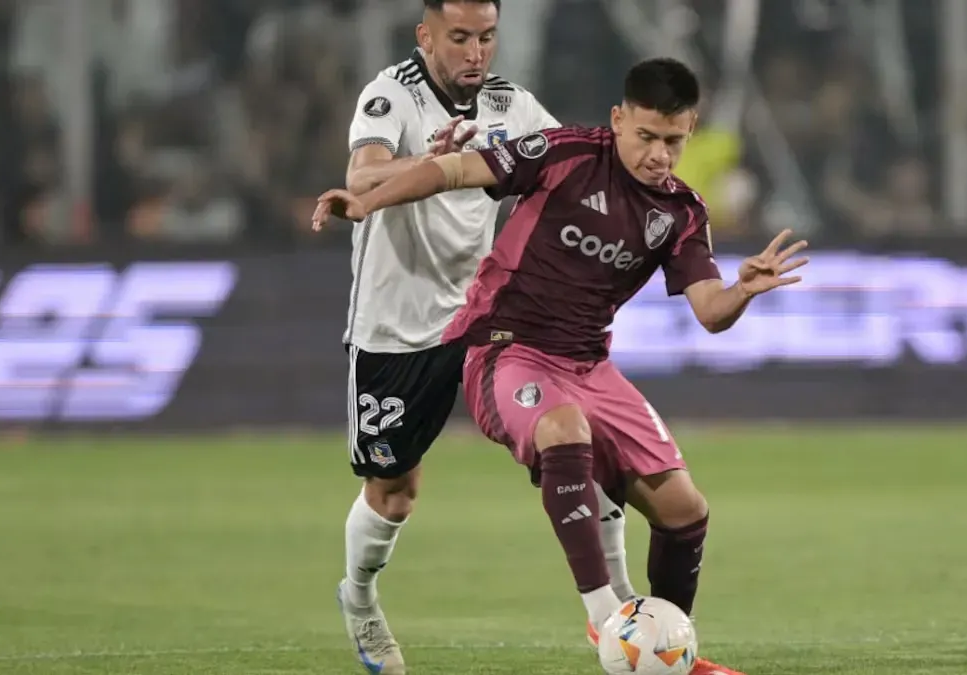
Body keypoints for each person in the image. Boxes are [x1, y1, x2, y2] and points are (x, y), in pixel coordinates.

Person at [315, 57, 808, 675]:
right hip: (504, 347)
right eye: (647, 137)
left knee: (686, 511)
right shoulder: (564, 152)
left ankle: (665, 651)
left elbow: (710, 312)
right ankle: (608, 619)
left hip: (587, 364)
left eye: (674, 141)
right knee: (560, 429)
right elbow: (451, 169)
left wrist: (743, 289)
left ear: (691, 132)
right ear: (618, 119)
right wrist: (370, 202)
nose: (660, 155)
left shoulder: (682, 212)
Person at [330, 1, 639, 673]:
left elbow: (573, 169)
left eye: (487, 37)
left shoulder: (511, 104)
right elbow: (361, 176)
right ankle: (359, 598)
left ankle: (620, 612)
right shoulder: (392, 96)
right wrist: (423, 164)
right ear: (426, 36)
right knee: (394, 492)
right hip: (396, 328)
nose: (477, 52)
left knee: (575, 440)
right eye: (461, 37)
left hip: (489, 320)